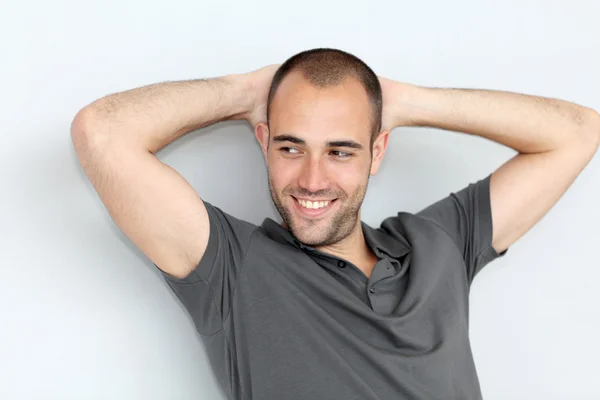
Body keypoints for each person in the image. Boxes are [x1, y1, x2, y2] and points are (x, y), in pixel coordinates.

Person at [70, 48, 600, 400]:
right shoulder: (233, 268)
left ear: (377, 151)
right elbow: (102, 133)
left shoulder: (439, 242)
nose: (312, 179)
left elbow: (577, 133)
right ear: (264, 142)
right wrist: (249, 92)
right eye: (290, 146)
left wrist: (407, 103)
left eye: (341, 151)